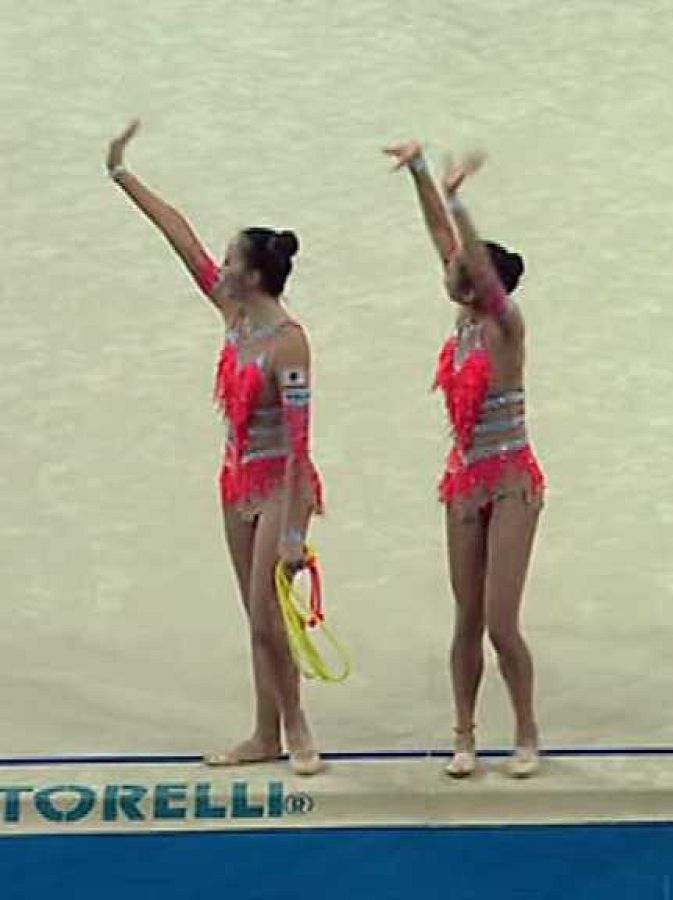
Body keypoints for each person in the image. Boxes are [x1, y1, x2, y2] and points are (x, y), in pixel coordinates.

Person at [108, 119, 326, 776]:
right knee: (254, 618)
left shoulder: (288, 342)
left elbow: (300, 443)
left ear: (254, 277)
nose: (219, 268)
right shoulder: (233, 314)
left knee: (268, 616)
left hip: (283, 485)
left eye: (231, 262)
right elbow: (180, 237)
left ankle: (297, 728)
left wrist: (294, 532)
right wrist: (122, 173)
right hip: (236, 485)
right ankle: (264, 734)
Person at [385, 142, 543, 778]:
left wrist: (460, 202)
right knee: (466, 619)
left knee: (502, 623)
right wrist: (421, 171)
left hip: (511, 481)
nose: (448, 269)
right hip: (464, 481)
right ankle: (465, 733)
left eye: (460, 268)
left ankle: (526, 730)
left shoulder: (505, 326)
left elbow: (464, 250)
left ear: (483, 285)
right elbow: (439, 235)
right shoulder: (463, 317)